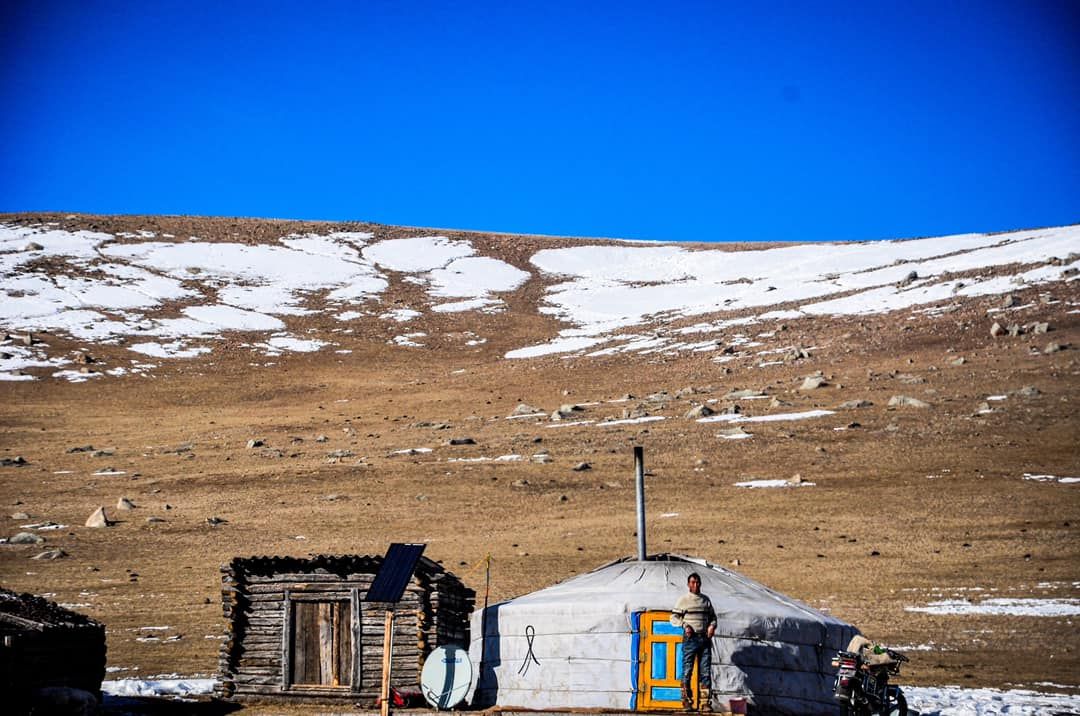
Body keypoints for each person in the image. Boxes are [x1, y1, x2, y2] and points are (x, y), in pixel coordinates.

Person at [670, 572, 717, 711]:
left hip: (704, 638)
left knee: (705, 671)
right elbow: (673, 618)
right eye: (692, 582)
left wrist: (712, 626)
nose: (695, 585)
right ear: (688, 584)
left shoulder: (705, 600)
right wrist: (685, 625)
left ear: (700, 584)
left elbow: (713, 617)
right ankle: (686, 701)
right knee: (687, 669)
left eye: (697, 582)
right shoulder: (683, 600)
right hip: (690, 638)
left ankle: (705, 703)